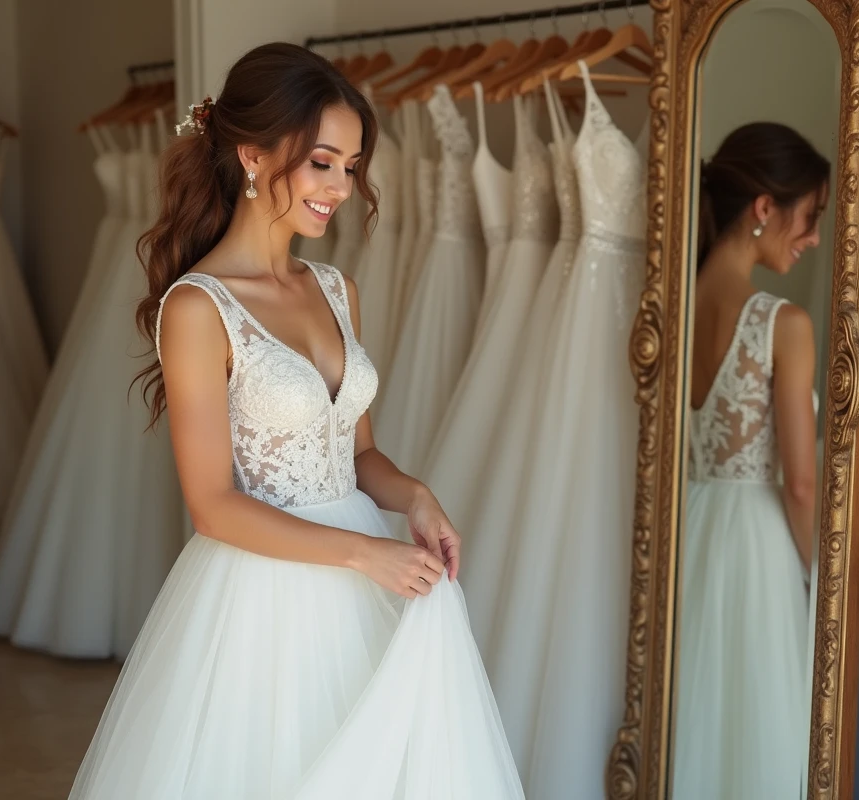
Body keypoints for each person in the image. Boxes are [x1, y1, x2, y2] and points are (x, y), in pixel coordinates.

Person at [66, 43, 524, 799]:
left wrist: (414, 497)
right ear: (252, 156)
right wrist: (362, 556)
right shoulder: (197, 307)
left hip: (360, 570)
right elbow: (212, 506)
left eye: (350, 165)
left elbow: (359, 454)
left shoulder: (336, 287)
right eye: (321, 162)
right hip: (264, 596)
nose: (341, 186)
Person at [670, 122, 830, 800]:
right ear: (764, 208)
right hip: (760, 544)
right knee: (756, 731)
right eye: (811, 215)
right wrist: (823, 573)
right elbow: (799, 481)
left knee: (698, 720)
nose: (815, 237)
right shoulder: (782, 323)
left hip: (693, 527)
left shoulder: (671, 304)